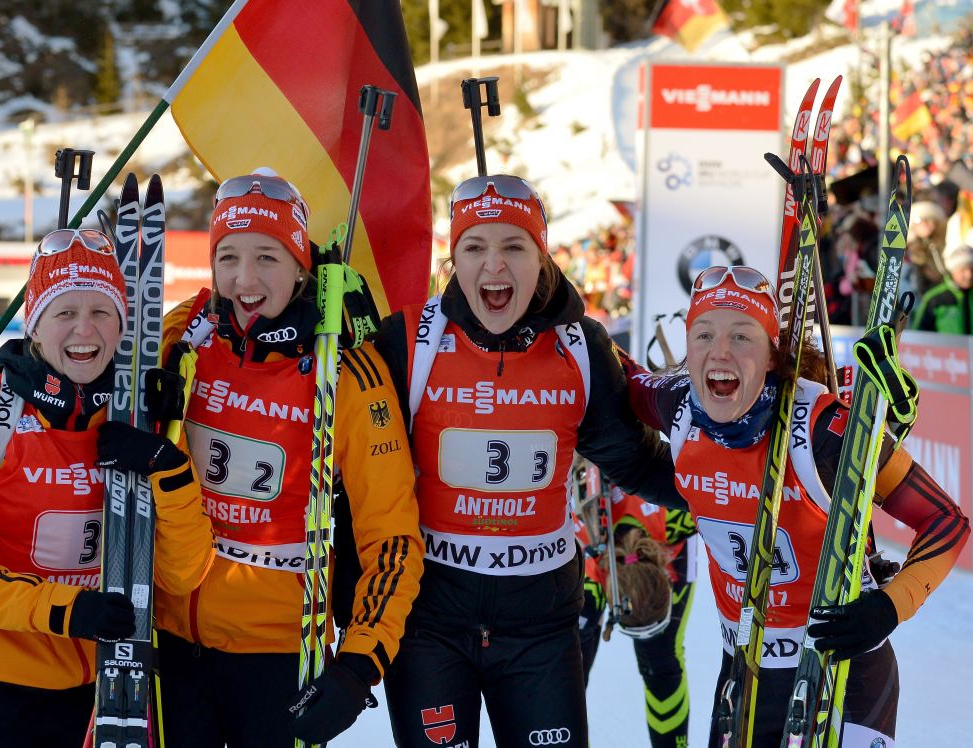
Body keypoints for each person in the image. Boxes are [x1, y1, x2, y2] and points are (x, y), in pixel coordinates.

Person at [372, 174, 682, 748]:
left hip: (540, 627)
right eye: (475, 247)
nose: (494, 267)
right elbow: (350, 468)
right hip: (430, 624)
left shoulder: (581, 348)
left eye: (514, 246)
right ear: (453, 259)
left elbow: (635, 463)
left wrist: (734, 489)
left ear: (541, 257)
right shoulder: (408, 343)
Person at [621, 265, 970, 746]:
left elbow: (946, 520)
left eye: (742, 337)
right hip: (743, 672)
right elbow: (610, 371)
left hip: (843, 676)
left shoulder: (823, 430)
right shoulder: (677, 405)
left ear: (771, 355)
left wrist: (888, 608)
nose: (719, 352)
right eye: (703, 334)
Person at [0, 229, 215, 747]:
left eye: (101, 312)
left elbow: (180, 576)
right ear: (36, 326)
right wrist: (63, 608)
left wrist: (170, 470)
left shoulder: (139, 420)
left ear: (121, 327)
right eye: (64, 313)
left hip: (102, 689)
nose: (83, 330)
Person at [145, 169, 423, 747]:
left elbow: (392, 538)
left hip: (280, 657)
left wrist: (357, 665)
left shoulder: (346, 374)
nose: (245, 280)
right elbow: (88, 393)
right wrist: (0, 380)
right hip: (169, 645)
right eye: (229, 258)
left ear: (301, 266)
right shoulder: (182, 336)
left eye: (267, 258)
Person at [575, 463, 697, 748]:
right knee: (573, 658)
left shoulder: (681, 518)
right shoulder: (681, 517)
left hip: (636, 530)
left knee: (660, 654)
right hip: (587, 537)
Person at [912, 242, 973, 334]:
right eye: (963, 270)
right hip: (947, 348)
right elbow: (919, 333)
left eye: (972, 269)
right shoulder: (935, 298)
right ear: (953, 270)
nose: (969, 275)